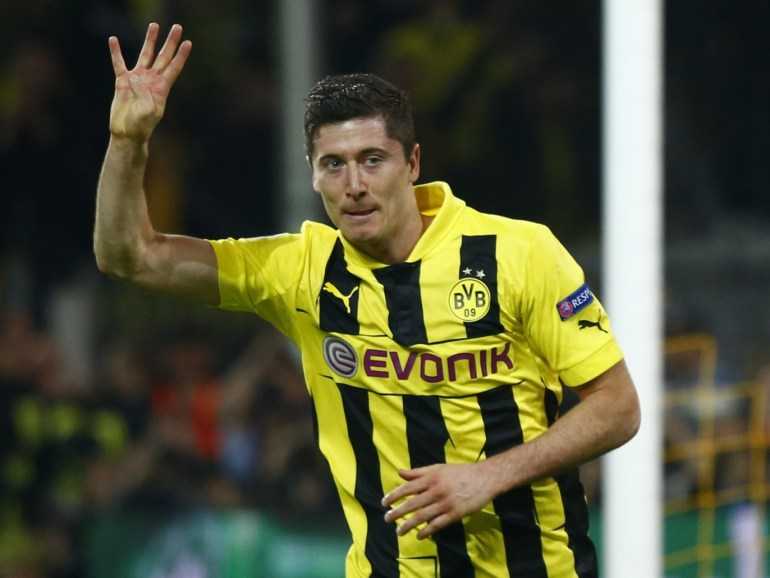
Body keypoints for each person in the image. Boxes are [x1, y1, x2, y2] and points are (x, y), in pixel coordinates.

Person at [94, 22, 640, 578]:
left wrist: (489, 475)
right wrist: (127, 141)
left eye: (373, 159)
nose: (353, 183)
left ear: (413, 164)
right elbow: (130, 256)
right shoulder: (301, 271)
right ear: (313, 174)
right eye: (334, 164)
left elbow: (617, 408)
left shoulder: (518, 253)